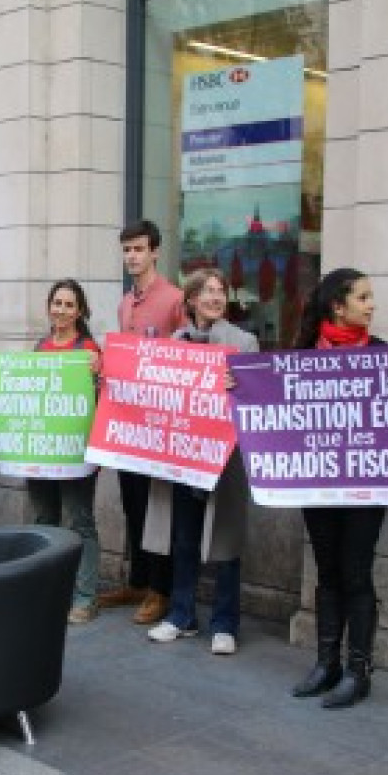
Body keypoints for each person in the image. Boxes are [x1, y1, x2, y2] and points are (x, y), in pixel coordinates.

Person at [287, 268, 388, 706]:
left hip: (365, 485)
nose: (372, 304)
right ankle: (327, 664)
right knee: (327, 572)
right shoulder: (303, 355)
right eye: (363, 297)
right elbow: (275, 404)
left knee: (355, 572)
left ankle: (358, 670)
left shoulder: (382, 355)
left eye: (371, 297)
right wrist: (240, 389)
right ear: (337, 307)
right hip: (318, 483)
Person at [144, 268, 257, 656]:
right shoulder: (174, 343)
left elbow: (257, 393)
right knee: (184, 539)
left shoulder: (244, 342)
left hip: (224, 459)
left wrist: (238, 384)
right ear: (191, 299)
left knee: (225, 542)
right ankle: (182, 615)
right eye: (207, 291)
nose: (215, 297)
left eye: (220, 291)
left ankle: (225, 623)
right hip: (184, 456)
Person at [98, 219, 184, 625]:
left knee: (157, 506)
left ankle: (160, 588)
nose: (132, 256)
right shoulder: (123, 302)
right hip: (129, 420)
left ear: (154, 252)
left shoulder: (173, 299)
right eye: (126, 250)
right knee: (132, 500)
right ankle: (138, 578)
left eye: (138, 249)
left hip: (161, 422)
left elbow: (186, 356)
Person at [26, 279, 103, 625]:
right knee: (44, 519)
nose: (61, 310)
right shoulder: (40, 348)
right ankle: (49, 587)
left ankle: (85, 596)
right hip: (40, 451)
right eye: (56, 303)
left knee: (79, 521)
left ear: (80, 311)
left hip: (76, 452)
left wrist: (99, 374)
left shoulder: (89, 351)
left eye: (69, 305)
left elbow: (104, 395)